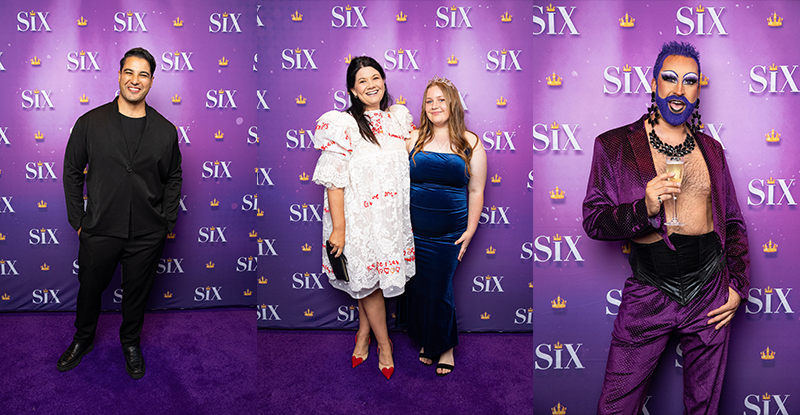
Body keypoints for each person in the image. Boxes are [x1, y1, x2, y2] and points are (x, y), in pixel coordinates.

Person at [582, 41, 749, 414]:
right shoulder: (614, 145)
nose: (678, 89)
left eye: (689, 81)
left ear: (697, 90)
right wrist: (644, 207)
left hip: (710, 288)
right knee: (615, 406)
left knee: (703, 405)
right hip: (650, 288)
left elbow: (733, 223)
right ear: (654, 83)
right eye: (669, 79)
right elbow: (594, 220)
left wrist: (737, 285)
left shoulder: (711, 149)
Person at [60, 47, 182, 379]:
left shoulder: (165, 130)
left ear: (152, 81)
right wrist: (79, 223)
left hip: (147, 233)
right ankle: (82, 339)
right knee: (89, 290)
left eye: (143, 74)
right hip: (99, 228)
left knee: (137, 293)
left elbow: (173, 177)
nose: (135, 80)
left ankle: (130, 343)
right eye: (129, 72)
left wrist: (166, 222)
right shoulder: (90, 123)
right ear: (119, 75)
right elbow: (72, 171)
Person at [311, 56, 415, 380]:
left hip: (390, 219)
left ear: (384, 81)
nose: (371, 85)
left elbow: (429, 146)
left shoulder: (398, 120)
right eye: (362, 81)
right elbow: (333, 179)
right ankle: (385, 345)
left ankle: (362, 334)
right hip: (356, 220)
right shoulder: (344, 124)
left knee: (371, 283)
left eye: (375, 78)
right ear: (353, 91)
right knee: (367, 285)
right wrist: (339, 230)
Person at [401, 76, 486, 376]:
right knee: (421, 288)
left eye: (441, 99)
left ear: (453, 104)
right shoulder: (412, 139)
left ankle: (445, 346)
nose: (435, 105)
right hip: (414, 231)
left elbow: (476, 190)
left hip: (449, 232)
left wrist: (471, 229)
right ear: (423, 108)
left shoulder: (470, 141)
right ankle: (429, 340)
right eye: (429, 101)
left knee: (440, 288)